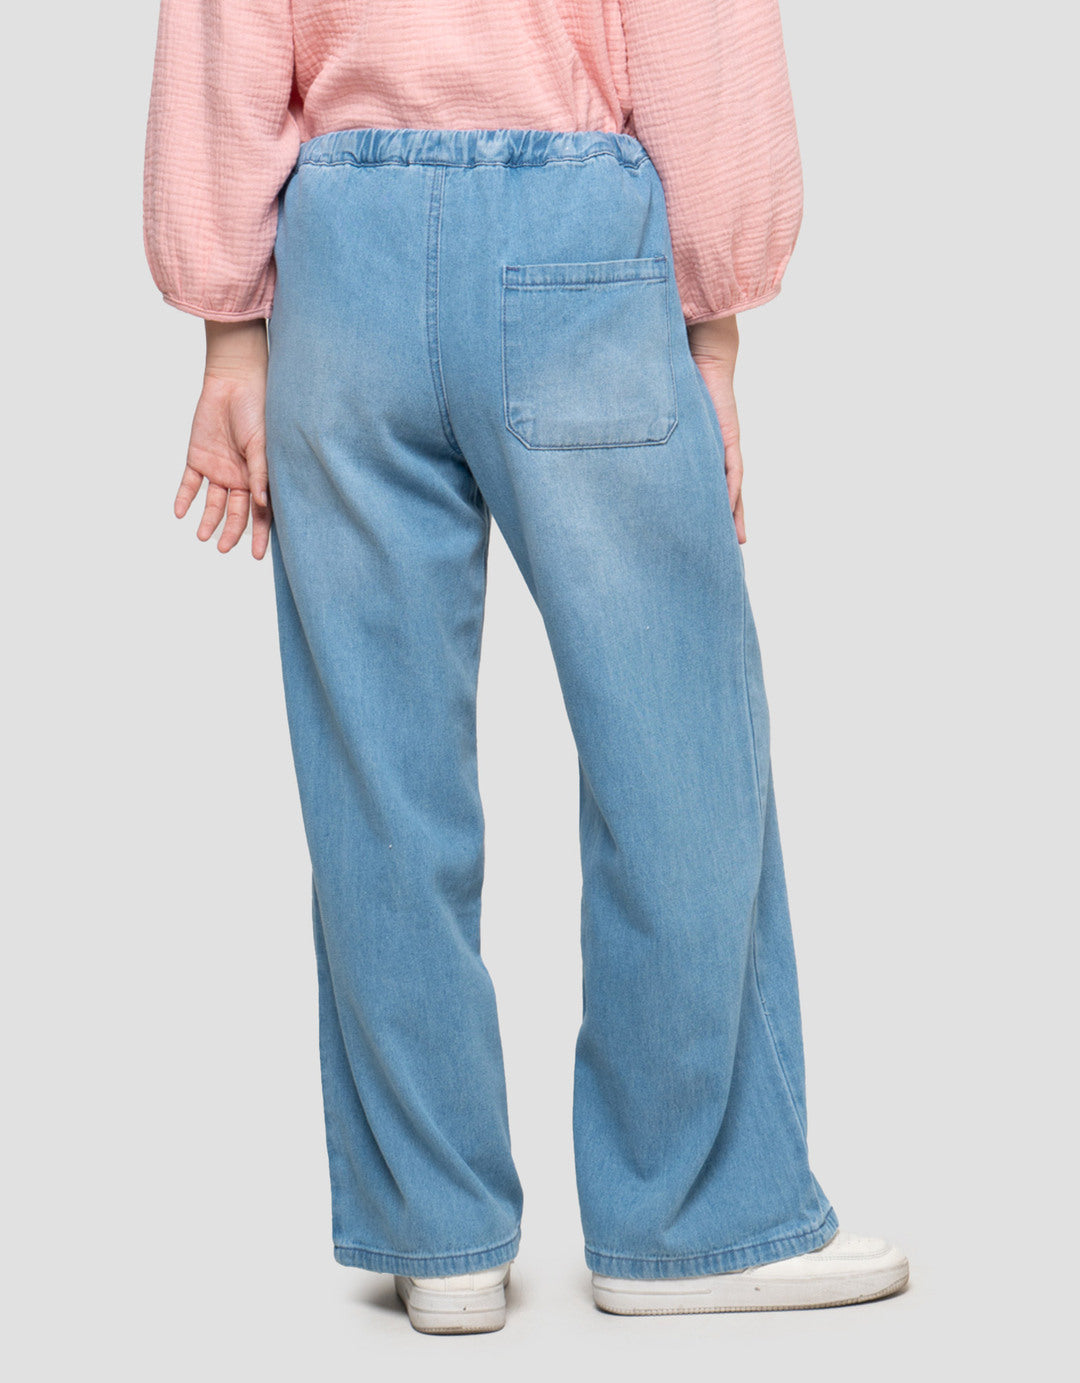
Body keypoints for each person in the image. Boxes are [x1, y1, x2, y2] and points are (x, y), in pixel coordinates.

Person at [143, 0, 908, 1334]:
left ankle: (437, 1233)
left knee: (378, 773)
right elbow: (701, 36)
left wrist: (227, 331)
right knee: (675, 744)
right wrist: (714, 320)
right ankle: (692, 1218)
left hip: (343, 254)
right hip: (573, 241)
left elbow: (224, 27)